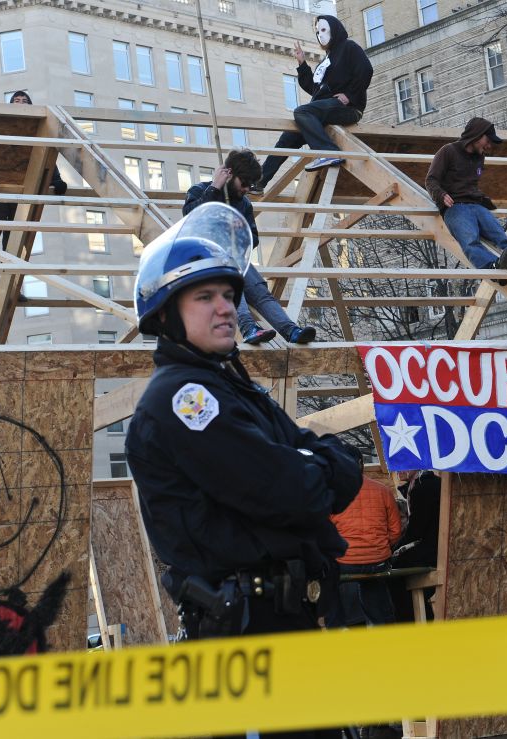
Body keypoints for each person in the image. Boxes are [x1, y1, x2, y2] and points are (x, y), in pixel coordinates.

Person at [126, 203, 361, 739]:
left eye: (230, 296)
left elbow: (328, 457)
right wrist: (314, 464)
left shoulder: (232, 386)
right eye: (204, 297)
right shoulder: (185, 400)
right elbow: (294, 489)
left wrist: (314, 460)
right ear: (166, 315)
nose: (225, 308)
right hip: (249, 636)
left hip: (287, 626)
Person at [183, 148, 317, 345]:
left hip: (235, 258)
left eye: (250, 184)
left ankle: (291, 331)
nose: (247, 188)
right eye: (244, 183)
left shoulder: (243, 204)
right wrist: (214, 188)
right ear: (228, 174)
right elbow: (190, 219)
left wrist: (241, 233)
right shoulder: (199, 191)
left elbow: (253, 238)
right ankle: (248, 328)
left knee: (261, 292)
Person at [252, 15, 372, 193]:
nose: (320, 35)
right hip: (325, 109)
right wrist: (302, 64)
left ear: (334, 29)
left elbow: (366, 70)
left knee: (301, 112)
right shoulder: (327, 60)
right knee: (288, 137)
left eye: (323, 30)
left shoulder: (349, 47)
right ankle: (259, 183)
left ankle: (328, 153)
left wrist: (350, 95)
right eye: (317, 32)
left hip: (348, 108)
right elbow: (314, 88)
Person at [0, 90, 67, 300]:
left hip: (21, 192)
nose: (20, 103)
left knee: (13, 242)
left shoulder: (37, 129)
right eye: (16, 100)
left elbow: (45, 154)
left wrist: (56, 180)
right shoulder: (2, 127)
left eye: (24, 100)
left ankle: (11, 288)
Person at [425, 117, 507, 282]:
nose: (489, 146)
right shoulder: (448, 151)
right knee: (470, 241)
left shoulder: (479, 157)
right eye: (488, 141)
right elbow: (431, 180)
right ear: (477, 135)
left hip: (476, 205)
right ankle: (492, 268)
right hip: (455, 207)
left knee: (500, 236)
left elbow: (471, 184)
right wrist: (440, 195)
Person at [325, 465, 402, 628]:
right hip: (378, 562)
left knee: (328, 580)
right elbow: (396, 530)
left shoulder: (331, 494)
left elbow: (324, 533)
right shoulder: (383, 490)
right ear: (361, 465)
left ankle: (340, 627)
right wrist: (380, 549)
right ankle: (381, 625)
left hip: (344, 561)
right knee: (375, 588)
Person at [389, 470, 441, 622]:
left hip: (431, 550)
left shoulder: (421, 488)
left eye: (405, 463)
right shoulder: (432, 483)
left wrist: (395, 550)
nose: (399, 470)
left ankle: (410, 623)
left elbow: (416, 531)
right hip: (436, 547)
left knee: (393, 572)